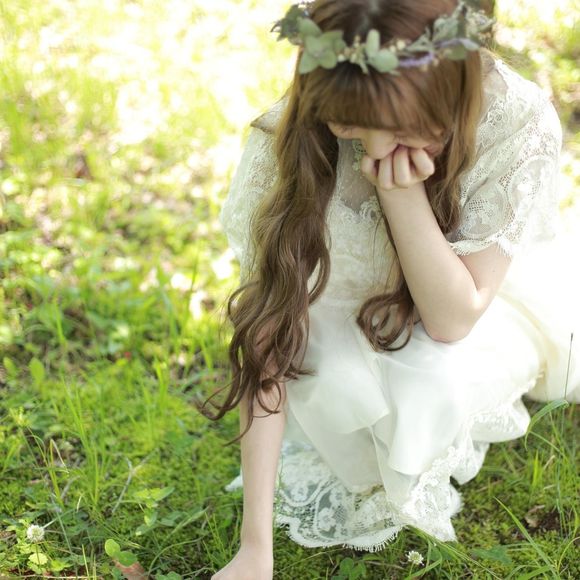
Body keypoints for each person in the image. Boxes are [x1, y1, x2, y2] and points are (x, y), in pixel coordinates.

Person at [198, 1, 580, 578]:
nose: (380, 148)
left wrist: (400, 194)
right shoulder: (313, 122)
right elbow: (269, 332)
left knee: (431, 387)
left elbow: (452, 321)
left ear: (452, 87)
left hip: (465, 303)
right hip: (344, 311)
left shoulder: (514, 121)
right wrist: (255, 547)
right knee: (335, 380)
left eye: (403, 127)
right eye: (354, 129)